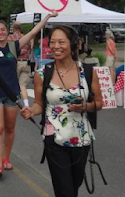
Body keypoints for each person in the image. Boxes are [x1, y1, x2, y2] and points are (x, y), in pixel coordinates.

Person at [0, 1, 58, 178]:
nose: (0, 32)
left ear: (7, 32)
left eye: (3, 30)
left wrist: (48, 17)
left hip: (12, 95)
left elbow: (32, 32)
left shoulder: (14, 47)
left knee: (9, 129)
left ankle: (6, 158)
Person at [21, 25, 103, 197]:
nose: (56, 46)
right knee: (64, 190)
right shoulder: (42, 74)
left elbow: (98, 103)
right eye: (52, 42)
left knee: (74, 186)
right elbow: (39, 105)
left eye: (61, 42)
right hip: (54, 139)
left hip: (81, 139)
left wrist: (85, 107)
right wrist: (31, 111)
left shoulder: (87, 72)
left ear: (73, 44)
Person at [8, 21, 33, 108]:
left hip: (15, 62)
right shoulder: (25, 37)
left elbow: (8, 52)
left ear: (14, 28)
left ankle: (14, 103)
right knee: (22, 85)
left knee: (13, 83)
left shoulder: (10, 38)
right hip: (25, 62)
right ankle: (26, 104)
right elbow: (30, 50)